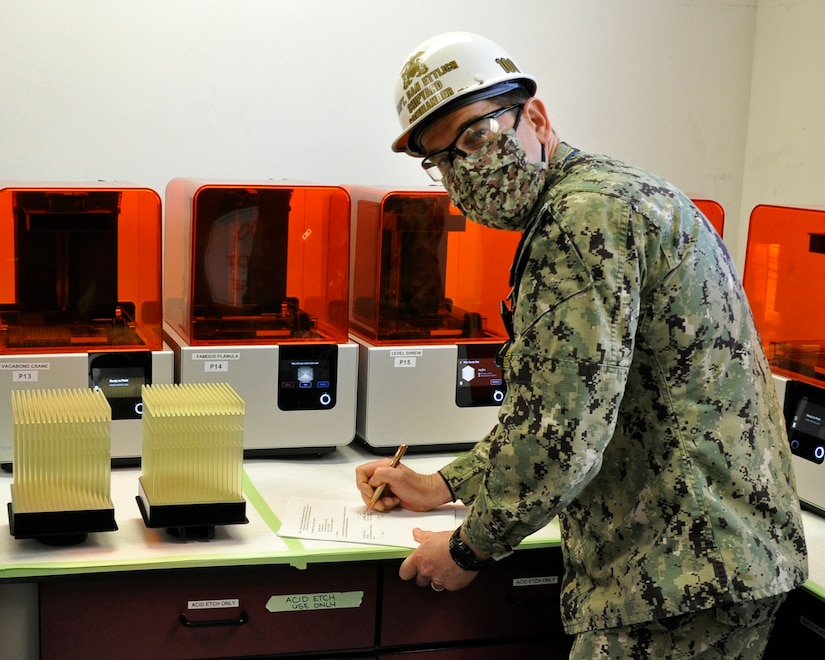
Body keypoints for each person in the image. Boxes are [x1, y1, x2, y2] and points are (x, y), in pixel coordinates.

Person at [355, 32, 809, 658]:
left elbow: (561, 432)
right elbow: (578, 399)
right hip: (712, 561)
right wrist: (444, 484)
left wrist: (469, 548)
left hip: (679, 576)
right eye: (443, 160)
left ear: (535, 117)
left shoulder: (579, 220)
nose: (465, 171)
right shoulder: (613, 193)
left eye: (476, 137)